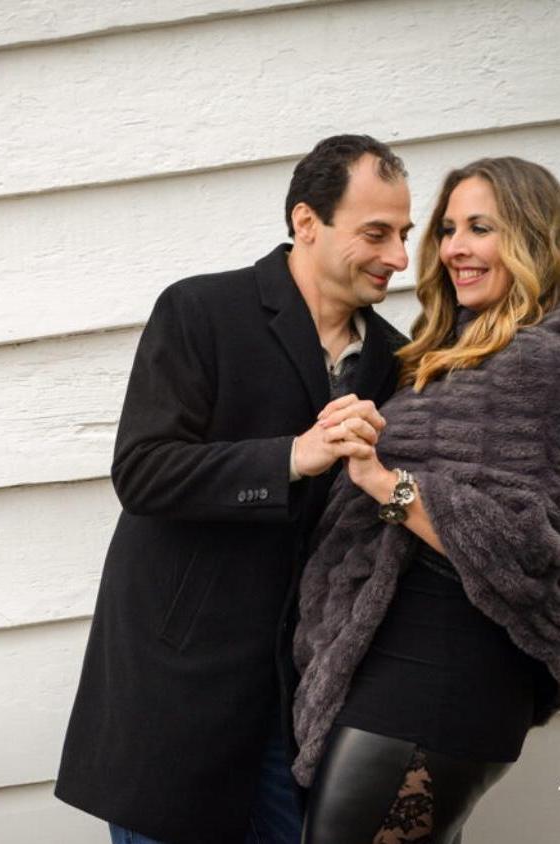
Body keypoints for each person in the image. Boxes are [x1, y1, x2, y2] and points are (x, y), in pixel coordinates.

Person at [55, 134, 413, 844]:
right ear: (307, 222)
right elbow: (143, 471)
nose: (399, 257)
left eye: (404, 234)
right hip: (175, 696)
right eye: (376, 233)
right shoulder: (200, 311)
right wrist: (292, 457)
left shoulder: (395, 361)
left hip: (300, 708)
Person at [293, 156, 560, 844]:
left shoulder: (540, 362)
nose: (454, 249)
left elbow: (530, 545)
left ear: (533, 239)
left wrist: (387, 483)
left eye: (481, 228)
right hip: (400, 662)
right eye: (447, 229)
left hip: (447, 670)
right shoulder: (448, 353)